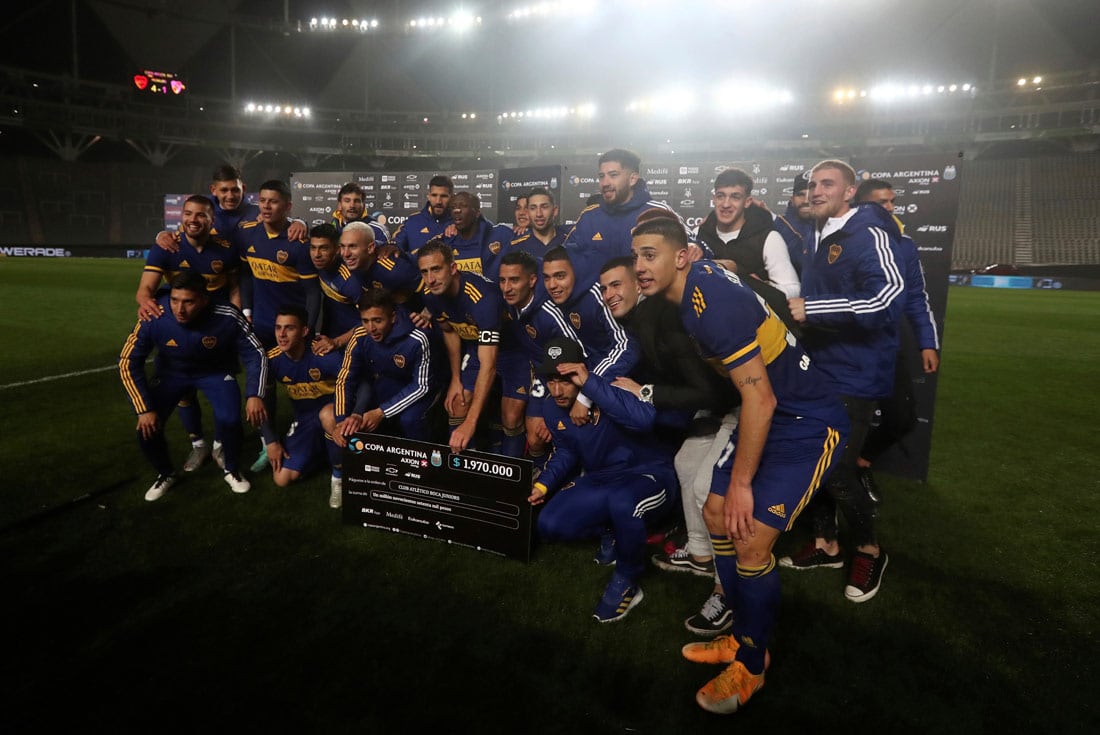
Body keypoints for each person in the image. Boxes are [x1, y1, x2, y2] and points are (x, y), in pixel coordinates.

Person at [631, 211, 848, 714]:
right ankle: (741, 630)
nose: (641, 266)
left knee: (748, 538)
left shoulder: (710, 307)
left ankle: (752, 662)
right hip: (768, 410)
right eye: (637, 254)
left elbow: (763, 400)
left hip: (806, 424)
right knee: (714, 512)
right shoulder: (695, 288)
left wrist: (745, 481)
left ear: (682, 256)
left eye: (651, 255)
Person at [782, 160, 906, 603]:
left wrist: (815, 310)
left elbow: (889, 298)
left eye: (827, 184)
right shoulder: (817, 232)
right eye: (813, 184)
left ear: (850, 192)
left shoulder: (869, 233)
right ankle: (826, 543)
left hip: (856, 374)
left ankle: (870, 548)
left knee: (834, 467)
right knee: (815, 462)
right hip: (819, 367)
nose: (816, 191)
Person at [598, 255, 741, 637]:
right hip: (714, 402)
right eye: (605, 288)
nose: (610, 294)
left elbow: (704, 387)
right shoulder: (638, 318)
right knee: (685, 464)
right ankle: (700, 554)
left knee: (706, 488)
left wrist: (644, 391)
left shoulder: (665, 317)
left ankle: (729, 590)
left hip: (745, 400)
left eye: (618, 284)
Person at [528, 337, 677, 623]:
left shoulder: (615, 386)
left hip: (649, 475)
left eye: (566, 379)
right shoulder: (551, 407)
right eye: (551, 380)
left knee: (624, 502)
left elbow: (644, 420)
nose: (557, 390)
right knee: (549, 524)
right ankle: (612, 528)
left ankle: (627, 580)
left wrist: (589, 385)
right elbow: (566, 451)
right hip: (602, 480)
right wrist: (542, 484)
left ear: (581, 371)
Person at [119, 271, 268, 501]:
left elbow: (256, 353)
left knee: (230, 419)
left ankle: (232, 469)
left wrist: (255, 394)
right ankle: (165, 473)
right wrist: (144, 409)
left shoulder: (227, 314)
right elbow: (128, 361)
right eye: (175, 300)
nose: (179, 309)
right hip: (171, 374)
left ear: (204, 300)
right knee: (146, 428)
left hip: (215, 373)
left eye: (188, 302)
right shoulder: (154, 313)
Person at [135, 194, 242, 473]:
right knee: (184, 393)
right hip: (181, 327)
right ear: (181, 216)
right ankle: (198, 444)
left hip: (218, 330)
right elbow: (144, 289)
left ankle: (220, 443)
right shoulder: (166, 247)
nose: (194, 220)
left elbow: (234, 287)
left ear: (211, 219)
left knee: (224, 394)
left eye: (201, 215)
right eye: (189, 214)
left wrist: (237, 317)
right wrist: (146, 302)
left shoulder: (225, 248)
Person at [852, 178, 941, 498]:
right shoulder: (846, 239)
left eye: (891, 202)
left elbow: (917, 297)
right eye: (881, 203)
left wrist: (927, 342)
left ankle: (860, 465)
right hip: (851, 348)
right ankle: (836, 481)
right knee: (847, 421)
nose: (889, 208)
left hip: (889, 346)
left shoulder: (904, 244)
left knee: (902, 418)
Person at [228, 179, 322, 473]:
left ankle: (314, 435)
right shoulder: (247, 234)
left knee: (305, 381)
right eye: (263, 200)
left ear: (288, 206)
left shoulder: (298, 242)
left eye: (274, 201)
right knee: (263, 385)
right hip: (262, 327)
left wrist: (309, 329)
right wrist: (246, 310)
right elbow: (245, 273)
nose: (267, 206)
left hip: (294, 329)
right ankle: (266, 444)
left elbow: (312, 293)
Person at [564, 148, 702, 287]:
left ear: (632, 179)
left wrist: (695, 246)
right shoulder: (589, 217)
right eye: (601, 176)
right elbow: (563, 259)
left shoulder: (658, 211)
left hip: (648, 305)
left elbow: (697, 246)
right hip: (597, 306)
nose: (605, 183)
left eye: (613, 175)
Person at [417, 239, 504, 454]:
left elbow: (490, 365)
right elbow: (449, 330)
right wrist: (456, 379)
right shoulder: (431, 295)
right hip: (478, 347)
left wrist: (470, 423)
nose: (430, 279)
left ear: (453, 268)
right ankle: (463, 471)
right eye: (425, 272)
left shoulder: (483, 298)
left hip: (512, 350)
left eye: (436, 269)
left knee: (512, 414)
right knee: (457, 402)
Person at [258, 305, 346, 508]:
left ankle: (338, 477)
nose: (281, 335)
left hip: (337, 416)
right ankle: (325, 452)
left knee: (327, 415)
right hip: (305, 420)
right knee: (282, 478)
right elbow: (265, 403)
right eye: (278, 328)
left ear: (304, 331)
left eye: (289, 328)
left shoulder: (324, 354)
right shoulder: (272, 361)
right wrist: (271, 442)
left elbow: (356, 384)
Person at [541, 246, 639, 427]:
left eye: (560, 276)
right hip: (592, 382)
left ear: (575, 272)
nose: (552, 285)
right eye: (547, 278)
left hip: (623, 380)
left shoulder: (598, 295)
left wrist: (586, 394)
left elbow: (626, 345)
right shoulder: (556, 302)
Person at [693, 167, 801, 331]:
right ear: (714, 198)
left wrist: (760, 287)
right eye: (721, 196)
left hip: (755, 330)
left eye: (735, 197)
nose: (726, 204)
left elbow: (794, 289)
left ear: (747, 201)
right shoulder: (698, 235)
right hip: (707, 330)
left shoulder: (768, 237)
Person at [333, 287, 439, 445]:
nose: (371, 328)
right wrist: (342, 420)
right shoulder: (359, 335)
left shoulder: (418, 338)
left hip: (425, 386)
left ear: (393, 317)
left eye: (377, 320)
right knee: (354, 420)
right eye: (365, 321)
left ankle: (424, 464)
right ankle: (366, 464)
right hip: (387, 382)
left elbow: (421, 386)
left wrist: (381, 412)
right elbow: (345, 379)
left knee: (409, 420)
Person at [309, 222, 365, 357]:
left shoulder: (351, 281)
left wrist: (337, 342)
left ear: (337, 249)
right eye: (313, 248)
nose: (316, 254)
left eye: (323, 248)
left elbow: (369, 322)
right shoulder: (317, 264)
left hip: (354, 343)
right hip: (330, 337)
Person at [443, 191, 514, 276]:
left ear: (477, 213)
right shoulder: (446, 242)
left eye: (464, 206)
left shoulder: (501, 235)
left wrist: (524, 227)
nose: (457, 210)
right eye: (453, 207)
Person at [393, 174, 454, 255]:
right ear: (428, 196)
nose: (438, 201)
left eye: (444, 196)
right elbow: (395, 244)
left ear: (452, 197)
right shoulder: (413, 221)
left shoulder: (460, 223)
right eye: (434, 195)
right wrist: (391, 246)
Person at [777, 176, 814, 278]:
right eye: (800, 195)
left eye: (811, 194)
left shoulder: (833, 228)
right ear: (792, 200)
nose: (806, 200)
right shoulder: (778, 226)